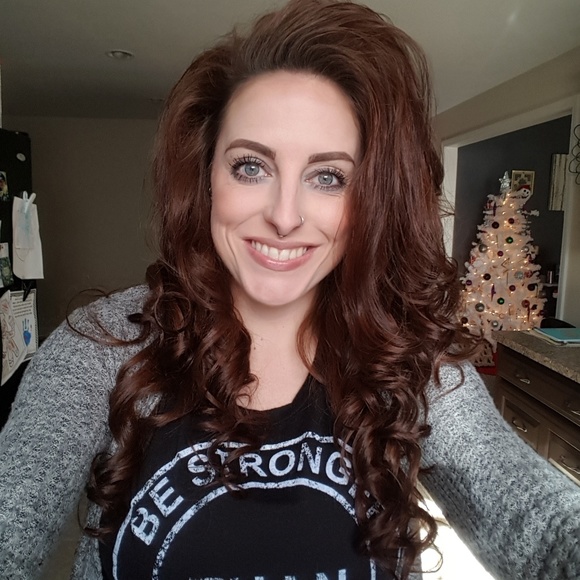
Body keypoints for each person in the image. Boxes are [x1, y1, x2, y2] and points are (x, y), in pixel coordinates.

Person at [0, 0, 579, 578]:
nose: (284, 216)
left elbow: (538, 518)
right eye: (251, 166)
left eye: (328, 177)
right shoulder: (100, 350)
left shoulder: (412, 361)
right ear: (206, 175)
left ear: (370, 200)